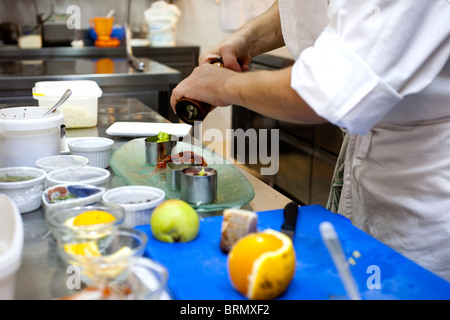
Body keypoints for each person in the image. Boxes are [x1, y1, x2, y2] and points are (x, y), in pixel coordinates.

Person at [170, 0, 450, 281]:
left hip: (425, 185)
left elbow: (333, 87)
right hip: (368, 158)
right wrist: (247, 37)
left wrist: (223, 86)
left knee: (409, 283)